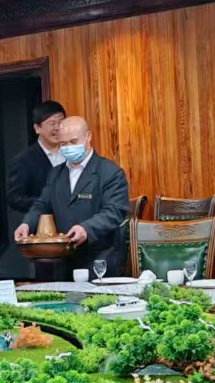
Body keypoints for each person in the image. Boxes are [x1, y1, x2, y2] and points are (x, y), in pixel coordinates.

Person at [13, 115, 130, 277]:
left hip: (99, 260)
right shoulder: (56, 173)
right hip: (63, 260)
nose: (68, 147)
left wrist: (86, 229)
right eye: (63, 144)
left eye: (73, 142)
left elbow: (114, 212)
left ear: (88, 137)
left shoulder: (110, 172)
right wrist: (27, 224)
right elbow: (42, 204)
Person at [0, 100, 66, 280]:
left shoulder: (71, 153)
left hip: (69, 233)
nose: (57, 127)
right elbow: (14, 197)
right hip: (41, 235)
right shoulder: (24, 160)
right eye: (52, 123)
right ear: (37, 128)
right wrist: (46, 204)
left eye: (61, 122)